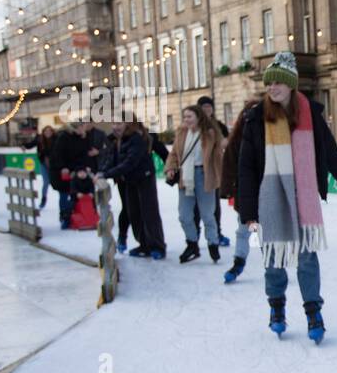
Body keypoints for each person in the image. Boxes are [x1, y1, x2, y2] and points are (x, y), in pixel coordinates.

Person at [236, 51, 337, 344]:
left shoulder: (309, 114)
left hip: (303, 197)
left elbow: (327, 148)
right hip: (269, 199)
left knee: (306, 259)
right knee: (273, 259)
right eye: (269, 83)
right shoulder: (255, 119)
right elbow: (246, 167)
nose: (272, 87)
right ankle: (277, 308)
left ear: (291, 85)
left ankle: (314, 311)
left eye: (278, 82)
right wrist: (247, 209)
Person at [96, 120, 167, 259]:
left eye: (119, 124)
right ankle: (144, 245)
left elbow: (130, 161)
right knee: (133, 213)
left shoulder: (137, 139)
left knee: (149, 213)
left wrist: (107, 174)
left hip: (144, 178)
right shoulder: (116, 139)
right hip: (128, 180)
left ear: (128, 124)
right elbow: (111, 158)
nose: (115, 127)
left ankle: (157, 246)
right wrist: (102, 172)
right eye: (114, 124)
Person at [164, 106, 225, 264]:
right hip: (186, 177)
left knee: (207, 215)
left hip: (205, 176)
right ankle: (192, 244)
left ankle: (213, 244)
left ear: (198, 117)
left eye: (189, 116)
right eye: (185, 117)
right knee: (184, 215)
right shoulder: (182, 133)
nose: (186, 120)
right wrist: (170, 168)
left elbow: (218, 156)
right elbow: (174, 154)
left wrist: (221, 176)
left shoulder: (210, 133)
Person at [219, 99, 258, 284]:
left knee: (267, 232)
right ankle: (238, 262)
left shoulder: (268, 137)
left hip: (267, 193)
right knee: (244, 230)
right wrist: (227, 189)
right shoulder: (237, 140)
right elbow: (228, 165)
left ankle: (274, 265)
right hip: (245, 194)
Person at [197, 96, 231, 248]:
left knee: (214, 205)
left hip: (215, 169)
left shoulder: (219, 125)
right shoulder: (194, 125)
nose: (207, 109)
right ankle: (194, 235)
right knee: (196, 205)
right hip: (197, 169)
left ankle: (217, 233)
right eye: (204, 107)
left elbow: (228, 141)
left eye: (209, 107)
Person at [49, 120, 95, 230]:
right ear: (76, 128)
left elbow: (85, 153)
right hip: (61, 171)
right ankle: (65, 218)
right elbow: (57, 153)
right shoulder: (64, 136)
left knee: (78, 194)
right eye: (82, 127)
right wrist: (63, 167)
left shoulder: (83, 137)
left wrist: (85, 167)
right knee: (64, 194)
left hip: (77, 170)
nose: (84, 129)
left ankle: (83, 217)